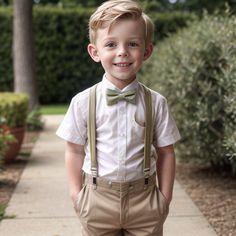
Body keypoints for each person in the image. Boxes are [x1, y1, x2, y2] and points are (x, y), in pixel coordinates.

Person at [56, 0, 181, 235]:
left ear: (146, 51)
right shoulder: (83, 102)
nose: (122, 51)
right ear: (95, 52)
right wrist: (77, 196)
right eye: (111, 44)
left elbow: (166, 151)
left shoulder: (156, 103)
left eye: (132, 44)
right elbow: (73, 149)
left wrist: (164, 198)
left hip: (145, 200)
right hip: (97, 200)